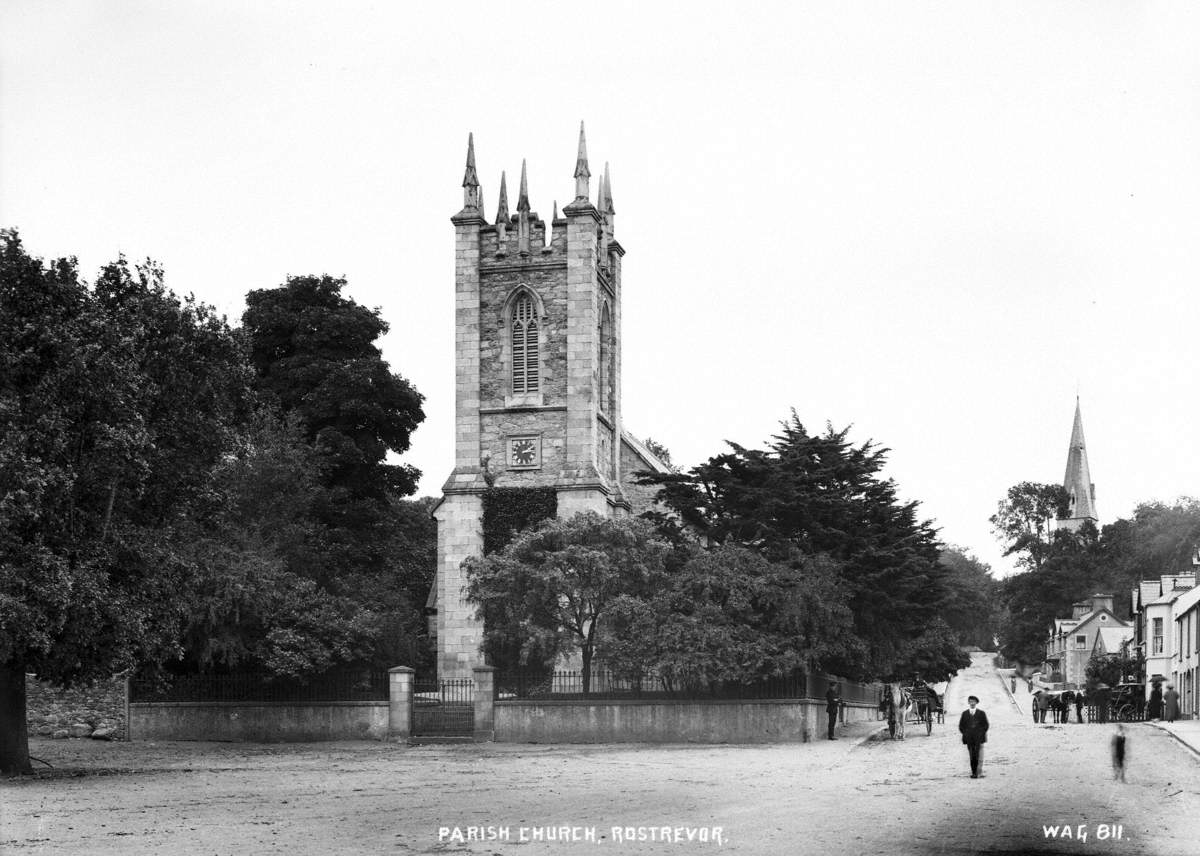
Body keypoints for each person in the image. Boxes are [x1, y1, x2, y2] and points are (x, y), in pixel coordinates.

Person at [959, 694, 989, 778]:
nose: (972, 703)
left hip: (979, 738)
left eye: (974, 701)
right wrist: (966, 734)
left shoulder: (981, 713)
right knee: (972, 755)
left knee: (979, 755)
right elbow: (961, 726)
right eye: (970, 701)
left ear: (976, 703)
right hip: (969, 738)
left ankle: (978, 772)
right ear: (968, 702)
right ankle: (973, 772)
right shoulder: (964, 714)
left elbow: (985, 725)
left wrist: (981, 733)